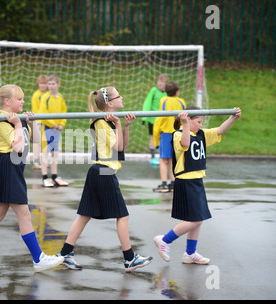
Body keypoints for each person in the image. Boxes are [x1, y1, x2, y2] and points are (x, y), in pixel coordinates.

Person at [0, 84, 64, 272]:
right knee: (24, 214)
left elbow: (35, 141)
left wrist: (31, 124)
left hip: (11, 168)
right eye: (20, 99)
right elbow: (18, 148)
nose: (23, 101)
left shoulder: (18, 120)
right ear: (7, 102)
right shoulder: (2, 122)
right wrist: (17, 124)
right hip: (7, 167)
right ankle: (38, 258)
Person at [57, 87, 153, 272]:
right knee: (122, 216)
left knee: (85, 215)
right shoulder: (102, 122)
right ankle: (129, 258)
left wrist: (124, 126)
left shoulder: (108, 121)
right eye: (119, 96)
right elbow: (117, 146)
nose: (122, 97)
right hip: (103, 171)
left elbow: (122, 145)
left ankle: (65, 253)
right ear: (109, 103)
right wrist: (117, 124)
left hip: (100, 171)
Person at [154, 106, 242, 264]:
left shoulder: (200, 134)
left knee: (198, 218)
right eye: (199, 122)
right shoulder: (178, 134)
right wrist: (186, 124)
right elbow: (185, 143)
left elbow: (219, 131)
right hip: (186, 181)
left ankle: (190, 253)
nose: (201, 125)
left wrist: (232, 118)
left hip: (197, 180)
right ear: (188, 120)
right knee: (194, 219)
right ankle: (165, 240)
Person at [152, 81, 186, 193]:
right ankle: (173, 182)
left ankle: (164, 184)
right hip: (178, 132)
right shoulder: (182, 101)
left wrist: (156, 132)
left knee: (163, 159)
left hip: (166, 133)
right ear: (177, 92)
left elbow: (161, 116)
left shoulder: (164, 100)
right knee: (172, 159)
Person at [38, 74, 68, 187]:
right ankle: (45, 177)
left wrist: (61, 124)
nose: (51, 86)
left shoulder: (60, 97)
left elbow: (63, 112)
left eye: (53, 84)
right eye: (49, 84)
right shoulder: (45, 97)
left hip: (56, 130)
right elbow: (42, 113)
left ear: (58, 84)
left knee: (55, 153)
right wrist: (53, 124)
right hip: (46, 128)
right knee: (45, 153)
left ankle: (54, 176)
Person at [142, 74, 169, 166]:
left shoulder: (167, 93)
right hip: (153, 120)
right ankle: (153, 157)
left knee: (164, 138)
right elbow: (147, 102)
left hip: (164, 120)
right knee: (153, 137)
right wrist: (144, 116)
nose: (160, 83)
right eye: (159, 81)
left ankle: (163, 157)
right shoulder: (153, 90)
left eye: (162, 82)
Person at [30, 75, 48, 169]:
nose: (43, 85)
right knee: (37, 142)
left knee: (45, 141)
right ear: (38, 84)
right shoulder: (36, 95)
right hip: (38, 121)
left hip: (46, 122)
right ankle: (36, 162)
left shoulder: (48, 95)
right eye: (41, 83)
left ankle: (44, 161)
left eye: (45, 83)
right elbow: (35, 109)